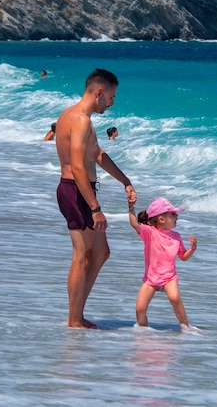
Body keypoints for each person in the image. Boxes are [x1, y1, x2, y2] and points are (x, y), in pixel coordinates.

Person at [55, 68, 137, 329]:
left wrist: (125, 181)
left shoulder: (70, 114)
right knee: (81, 255)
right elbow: (78, 167)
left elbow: (97, 154)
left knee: (100, 252)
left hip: (79, 189)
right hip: (76, 191)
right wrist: (95, 209)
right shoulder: (79, 119)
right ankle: (74, 319)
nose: (112, 103)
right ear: (99, 92)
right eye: (111, 97)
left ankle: (77, 314)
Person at [128, 197, 198, 332]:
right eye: (172, 213)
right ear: (161, 219)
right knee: (140, 309)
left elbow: (183, 257)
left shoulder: (176, 236)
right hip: (151, 279)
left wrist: (192, 249)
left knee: (175, 298)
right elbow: (134, 224)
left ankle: (186, 326)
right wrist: (131, 208)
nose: (176, 215)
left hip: (169, 277)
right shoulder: (149, 233)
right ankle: (143, 330)